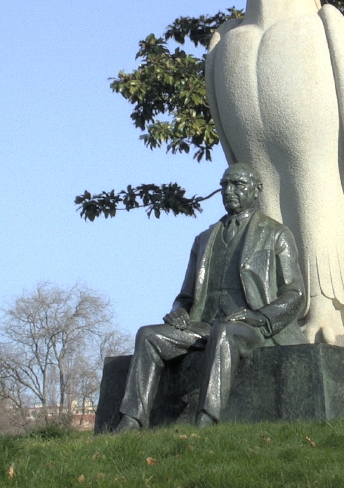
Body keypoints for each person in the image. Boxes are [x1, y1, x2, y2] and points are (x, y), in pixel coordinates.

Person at [114, 163, 307, 432]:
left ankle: (207, 419)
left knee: (225, 333)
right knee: (148, 335)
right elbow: (185, 296)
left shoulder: (276, 234)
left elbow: (295, 294)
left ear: (256, 190)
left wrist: (259, 316)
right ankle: (132, 419)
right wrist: (179, 310)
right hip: (203, 325)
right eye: (225, 184)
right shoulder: (204, 239)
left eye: (238, 184)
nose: (229, 190)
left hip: (252, 328)